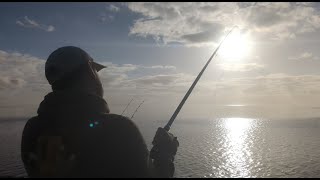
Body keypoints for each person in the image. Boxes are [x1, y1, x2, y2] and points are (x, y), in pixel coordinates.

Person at [21, 46, 179, 178]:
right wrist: (165, 152)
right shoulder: (120, 128)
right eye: (96, 71)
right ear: (90, 70)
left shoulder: (32, 129)